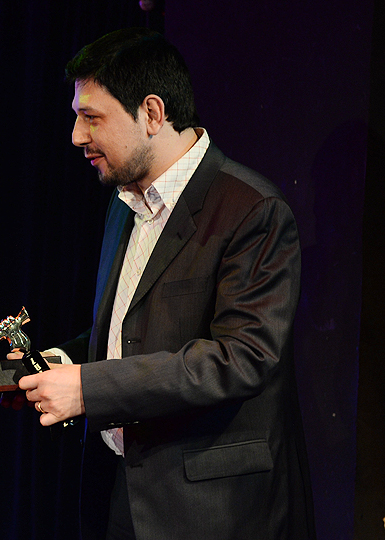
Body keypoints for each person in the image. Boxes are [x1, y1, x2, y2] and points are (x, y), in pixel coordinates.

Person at [17, 29, 315, 539]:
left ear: (153, 114)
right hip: (121, 497)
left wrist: (87, 388)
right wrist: (57, 364)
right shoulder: (122, 205)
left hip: (213, 512)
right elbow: (128, 334)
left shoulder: (252, 210)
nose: (76, 136)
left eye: (92, 117)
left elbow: (241, 359)